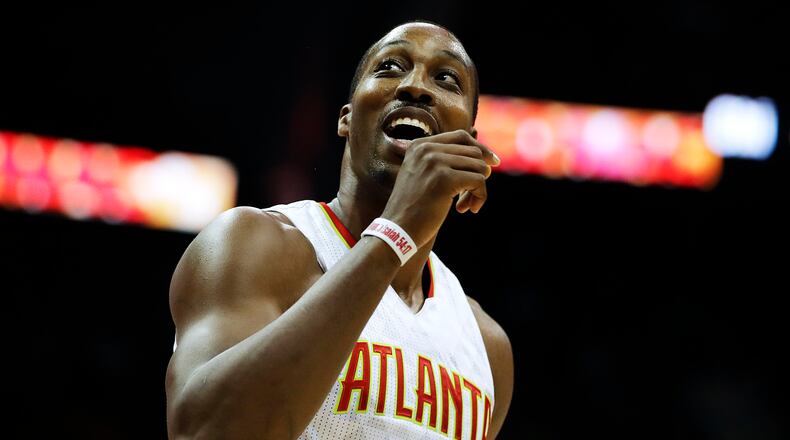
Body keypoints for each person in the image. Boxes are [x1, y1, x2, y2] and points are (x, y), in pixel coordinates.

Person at [165, 20, 513, 439]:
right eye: (390, 67)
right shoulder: (252, 245)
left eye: (446, 78)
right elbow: (206, 431)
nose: (416, 87)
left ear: (470, 144)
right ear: (346, 120)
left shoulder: (486, 345)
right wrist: (394, 235)